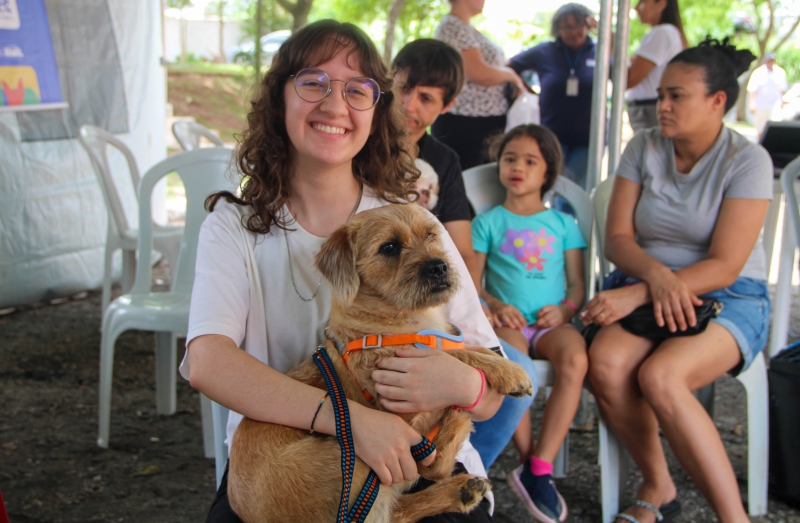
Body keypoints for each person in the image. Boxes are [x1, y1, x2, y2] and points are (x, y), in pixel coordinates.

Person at [182, 20, 508, 523]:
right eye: (313, 82)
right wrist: (349, 422)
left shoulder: (414, 223)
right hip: (290, 460)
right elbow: (206, 362)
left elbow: (491, 392)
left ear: (377, 110)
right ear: (279, 99)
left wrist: (467, 388)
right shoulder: (235, 228)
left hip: (421, 460)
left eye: (358, 90)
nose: (335, 105)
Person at [582, 38, 769, 523]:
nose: (660, 106)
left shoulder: (747, 160)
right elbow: (618, 237)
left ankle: (735, 519)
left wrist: (646, 289)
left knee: (661, 376)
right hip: (642, 283)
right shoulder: (643, 146)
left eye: (676, 96)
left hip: (727, 295)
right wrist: (655, 278)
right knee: (603, 361)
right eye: (660, 93)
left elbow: (727, 263)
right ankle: (659, 484)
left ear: (717, 101)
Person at [391, 38, 539, 470]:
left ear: (448, 104)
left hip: (437, 308)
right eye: (402, 88)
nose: (408, 105)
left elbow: (461, 247)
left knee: (513, 379)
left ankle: (460, 470)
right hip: (385, 309)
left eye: (426, 98)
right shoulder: (361, 146)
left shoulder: (444, 160)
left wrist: (475, 309)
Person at [473, 124, 588, 523]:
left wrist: (567, 310)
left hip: (552, 323)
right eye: (509, 159)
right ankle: (526, 462)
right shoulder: (487, 223)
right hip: (509, 324)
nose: (517, 167)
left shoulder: (563, 224)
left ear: (548, 172)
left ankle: (541, 464)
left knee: (575, 359)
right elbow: (474, 285)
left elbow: (577, 284)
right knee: (514, 369)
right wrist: (496, 304)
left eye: (529, 161)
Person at [508, 3, 598, 196]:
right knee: (554, 187)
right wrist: (526, 89)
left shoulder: (599, 51)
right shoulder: (544, 51)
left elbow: (624, 77)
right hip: (553, 135)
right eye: (567, 27)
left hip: (588, 137)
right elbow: (510, 66)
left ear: (588, 25)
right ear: (558, 29)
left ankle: (570, 225)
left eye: (578, 25)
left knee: (576, 190)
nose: (573, 32)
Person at [433, 0, 525, 171]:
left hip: (481, 124)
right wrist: (511, 75)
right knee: (468, 183)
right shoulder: (453, 26)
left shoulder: (464, 27)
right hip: (466, 124)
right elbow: (479, 73)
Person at [626, 0, 687, 133]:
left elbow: (628, 79)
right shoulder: (666, 32)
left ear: (661, 3)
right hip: (648, 109)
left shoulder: (662, 33)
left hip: (650, 111)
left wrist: (612, 48)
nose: (636, 8)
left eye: (642, 2)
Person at [747, 52, 788, 139]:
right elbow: (752, 90)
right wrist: (752, 104)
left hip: (775, 106)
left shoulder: (780, 72)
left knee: (775, 128)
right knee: (760, 130)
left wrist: (783, 100)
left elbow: (782, 90)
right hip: (761, 106)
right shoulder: (758, 73)